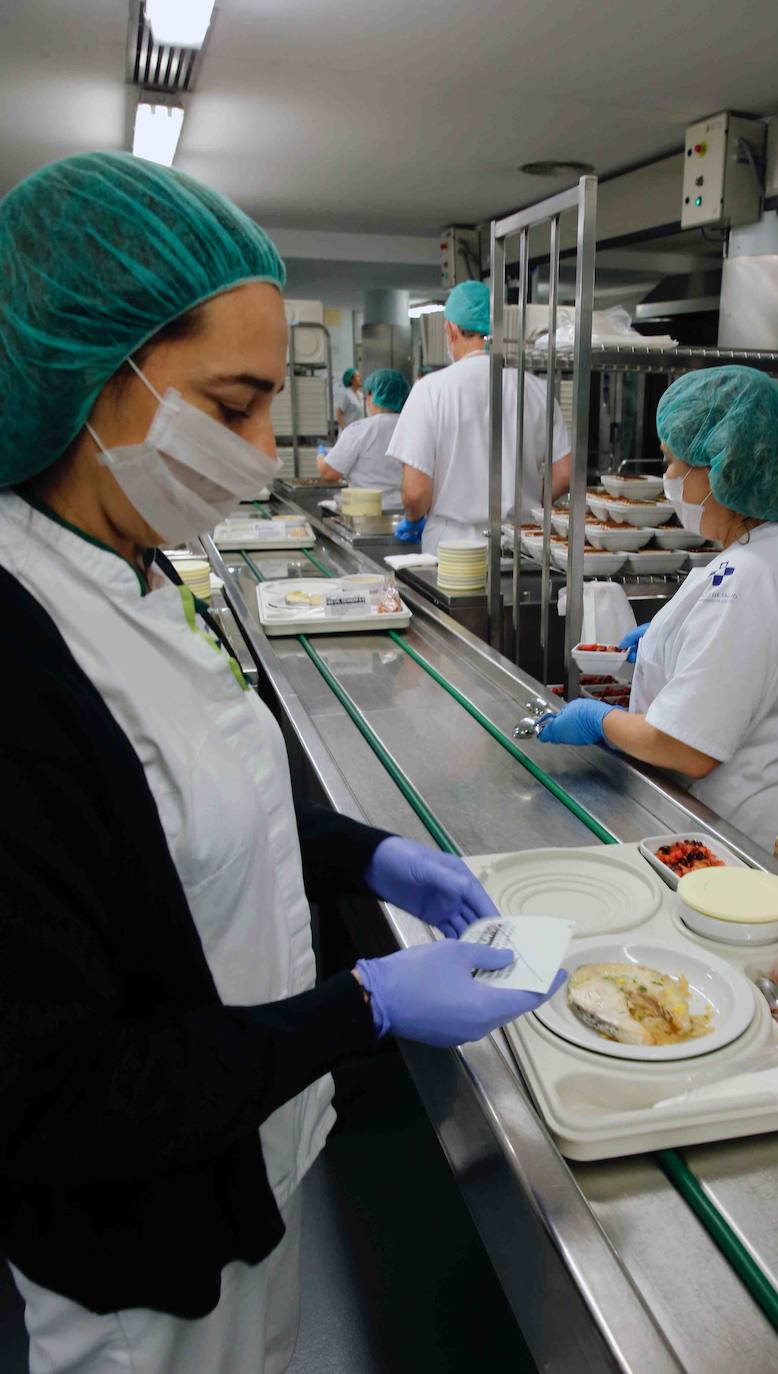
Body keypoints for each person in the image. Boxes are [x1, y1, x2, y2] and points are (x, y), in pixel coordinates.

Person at [0, 152, 564, 1374]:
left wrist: (373, 854)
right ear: (98, 384)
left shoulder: (137, 569)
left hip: (243, 1149)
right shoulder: (19, 652)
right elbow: (57, 1095)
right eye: (234, 402)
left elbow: (199, 794)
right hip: (133, 1256)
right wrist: (360, 1006)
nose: (267, 447)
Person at [537, 366, 778, 852]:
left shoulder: (749, 575)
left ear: (726, 465)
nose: (668, 480)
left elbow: (684, 747)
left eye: (674, 463)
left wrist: (599, 720)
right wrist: (671, 643)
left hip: (740, 834)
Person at [388, 280, 573, 554]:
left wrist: (413, 520)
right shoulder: (536, 390)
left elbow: (415, 493)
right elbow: (566, 473)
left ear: (450, 330)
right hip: (522, 547)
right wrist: (528, 502)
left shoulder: (430, 390)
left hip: (453, 551)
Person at [317, 368, 410, 510]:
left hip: (366, 513)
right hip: (406, 513)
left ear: (372, 395)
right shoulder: (415, 429)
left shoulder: (359, 430)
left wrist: (321, 455)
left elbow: (329, 473)